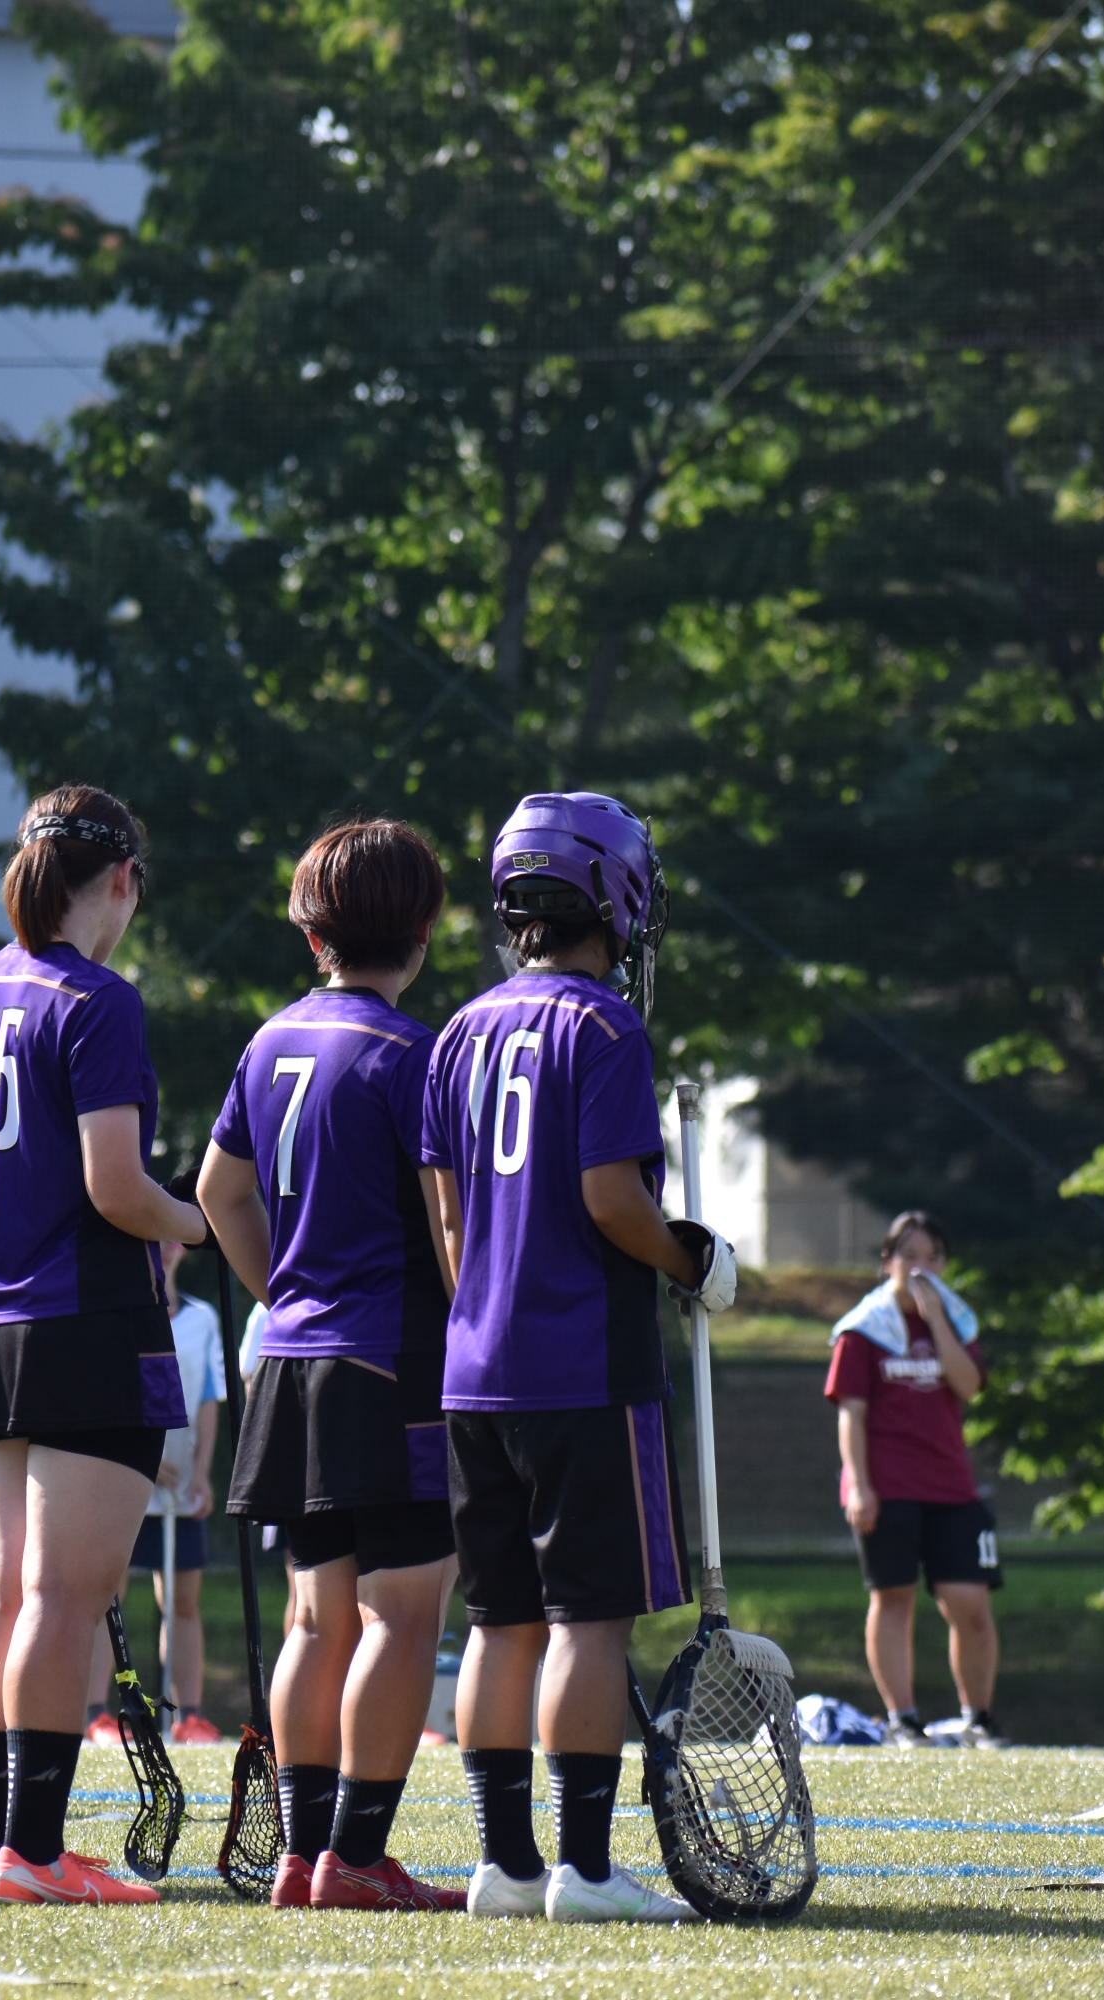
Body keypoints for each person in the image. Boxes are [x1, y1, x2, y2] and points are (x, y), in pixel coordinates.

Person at [418, 791, 738, 1925]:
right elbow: (612, 1199)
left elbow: (449, 1222)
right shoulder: (603, 1030)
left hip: (475, 1367)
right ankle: (586, 1869)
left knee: (499, 1624)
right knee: (588, 1622)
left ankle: (504, 1864)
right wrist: (690, 1257)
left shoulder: (458, 1030)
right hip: (583, 1366)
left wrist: (488, 1316)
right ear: (616, 896)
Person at [0, 787, 208, 1906]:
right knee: (59, 1596)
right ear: (123, 880)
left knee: (2, 1594)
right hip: (87, 1320)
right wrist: (198, 1221)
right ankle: (36, 1854)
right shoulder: (100, 999)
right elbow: (117, 1188)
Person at [198, 816, 464, 1913]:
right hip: (390, 1358)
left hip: (291, 1359)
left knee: (316, 1619)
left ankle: (304, 1856)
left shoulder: (270, 1041)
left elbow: (218, 1192)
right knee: (402, 1612)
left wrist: (285, 1293)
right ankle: (356, 1855)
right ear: (424, 930)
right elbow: (451, 1225)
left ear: (313, 934)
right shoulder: (418, 1054)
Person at [826, 1212, 1004, 1750]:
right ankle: (903, 1719)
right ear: (888, 1262)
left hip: (951, 1487)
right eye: (909, 1256)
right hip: (888, 1487)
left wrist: (937, 1320)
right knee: (894, 1597)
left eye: (932, 1257)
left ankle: (979, 1719)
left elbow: (968, 1385)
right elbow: (851, 1414)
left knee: (970, 1604)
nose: (920, 1267)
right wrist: (860, 1485)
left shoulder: (956, 1322)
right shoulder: (863, 1331)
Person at [85, 1239, 222, 1745]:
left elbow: (208, 1398)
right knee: (109, 1594)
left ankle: (190, 1715)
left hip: (180, 1487)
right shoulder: (120, 1306)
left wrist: (201, 1473)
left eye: (172, 1240)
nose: (164, 1249)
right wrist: (141, 1453)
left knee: (183, 1600)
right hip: (127, 1474)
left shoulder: (203, 1319)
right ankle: (97, 1712)